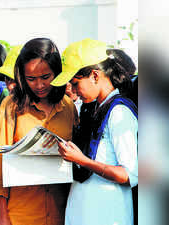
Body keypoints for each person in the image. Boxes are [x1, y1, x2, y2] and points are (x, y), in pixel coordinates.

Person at [0, 38, 78, 225]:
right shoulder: (10, 106)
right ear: (22, 77)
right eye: (31, 79)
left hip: (62, 212)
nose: (39, 85)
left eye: (46, 77)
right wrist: (1, 216)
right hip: (21, 213)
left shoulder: (68, 107)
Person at [51, 38, 138, 225]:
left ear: (95, 76)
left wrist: (82, 160)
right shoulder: (92, 109)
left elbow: (129, 175)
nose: (72, 90)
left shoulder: (119, 112)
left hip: (108, 215)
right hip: (84, 213)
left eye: (75, 83)